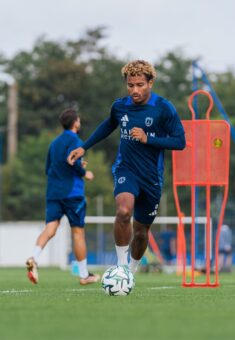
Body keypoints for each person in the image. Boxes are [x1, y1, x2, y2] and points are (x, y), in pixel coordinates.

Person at [67, 60, 186, 275]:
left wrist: (148, 138)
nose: (135, 90)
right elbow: (108, 125)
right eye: (131, 85)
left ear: (151, 83)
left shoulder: (163, 108)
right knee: (123, 211)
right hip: (126, 169)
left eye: (140, 84)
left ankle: (131, 270)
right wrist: (84, 147)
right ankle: (121, 267)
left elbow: (179, 142)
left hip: (151, 178)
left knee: (141, 233)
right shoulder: (120, 106)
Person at [26, 109, 100, 285]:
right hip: (72, 193)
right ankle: (84, 275)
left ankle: (33, 257)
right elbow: (73, 163)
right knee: (78, 233)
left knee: (50, 228)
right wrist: (85, 172)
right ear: (76, 123)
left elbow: (48, 169)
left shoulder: (54, 143)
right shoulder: (76, 141)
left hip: (53, 192)